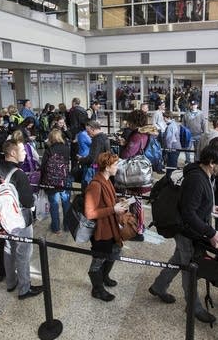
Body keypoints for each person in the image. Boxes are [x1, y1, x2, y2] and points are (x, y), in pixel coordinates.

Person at [148, 145, 218, 324]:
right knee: (188, 269)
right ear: (211, 162)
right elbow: (188, 213)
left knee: (178, 259)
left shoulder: (201, 172)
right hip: (185, 231)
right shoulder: (197, 179)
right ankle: (194, 307)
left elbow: (192, 203)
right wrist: (211, 232)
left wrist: (209, 207)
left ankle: (159, 286)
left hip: (187, 229)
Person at [0, 140, 43, 299]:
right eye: (21, 150)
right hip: (20, 220)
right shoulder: (18, 174)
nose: (25, 153)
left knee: (8, 248)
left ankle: (11, 282)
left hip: (2, 218)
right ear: (13, 153)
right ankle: (24, 289)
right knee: (23, 253)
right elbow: (28, 201)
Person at [85, 151, 127, 302]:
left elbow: (109, 199)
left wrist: (118, 200)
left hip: (110, 227)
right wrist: (113, 209)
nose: (117, 167)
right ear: (107, 167)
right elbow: (90, 213)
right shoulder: (95, 185)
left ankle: (104, 277)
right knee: (98, 260)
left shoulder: (107, 180)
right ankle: (97, 289)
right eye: (115, 164)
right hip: (101, 230)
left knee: (115, 250)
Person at [119, 109, 158, 241]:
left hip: (135, 175)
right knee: (136, 201)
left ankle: (138, 230)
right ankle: (138, 227)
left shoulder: (137, 135)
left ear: (134, 122)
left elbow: (127, 154)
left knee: (136, 202)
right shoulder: (146, 133)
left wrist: (124, 146)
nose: (128, 123)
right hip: (143, 172)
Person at [40, 129, 71, 234]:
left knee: (54, 204)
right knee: (66, 203)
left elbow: (43, 167)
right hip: (64, 180)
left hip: (52, 182)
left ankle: (56, 228)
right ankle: (67, 226)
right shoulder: (66, 148)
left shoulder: (49, 150)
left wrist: (42, 182)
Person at [78, 121, 110, 189]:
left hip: (94, 167)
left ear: (93, 129)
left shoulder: (96, 139)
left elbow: (92, 158)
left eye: (88, 131)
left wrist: (81, 159)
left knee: (88, 189)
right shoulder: (105, 137)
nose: (87, 134)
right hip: (100, 167)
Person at [163, 111, 181, 176]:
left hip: (173, 148)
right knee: (173, 165)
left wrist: (168, 149)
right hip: (177, 147)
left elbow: (169, 139)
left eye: (164, 117)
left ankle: (170, 179)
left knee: (171, 166)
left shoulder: (170, 126)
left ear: (167, 117)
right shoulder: (175, 124)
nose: (163, 119)